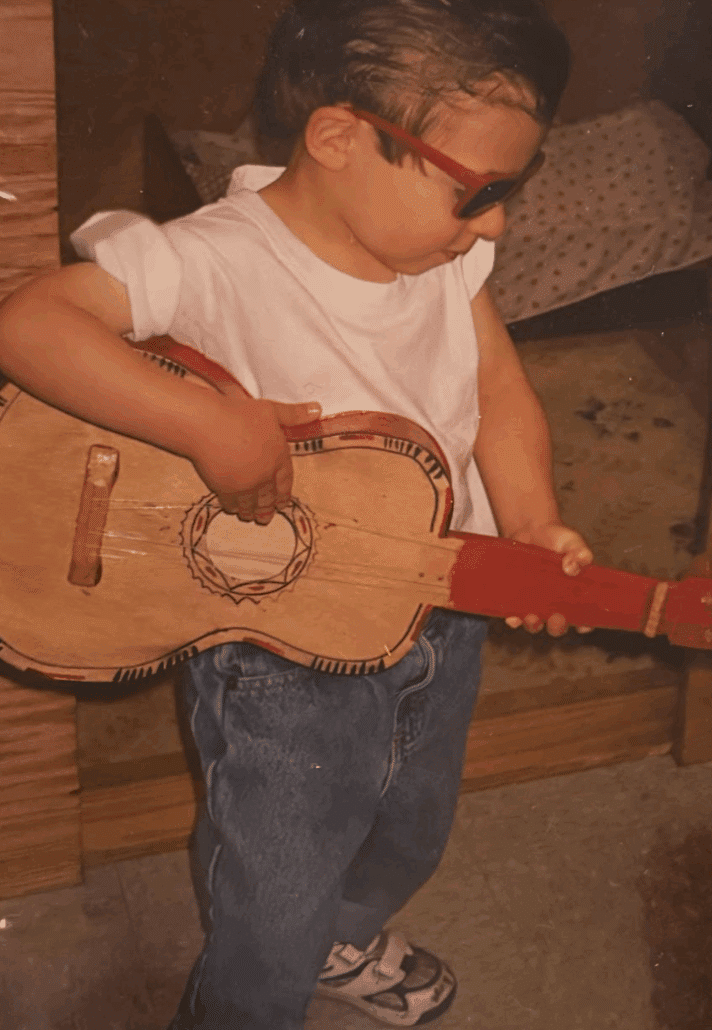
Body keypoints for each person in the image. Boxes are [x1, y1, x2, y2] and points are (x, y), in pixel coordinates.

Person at [0, 1, 593, 1026]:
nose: (494, 221)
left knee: (410, 818)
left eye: (510, 191)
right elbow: (29, 325)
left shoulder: (447, 259)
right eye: (478, 191)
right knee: (274, 882)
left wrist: (531, 522)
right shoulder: (210, 259)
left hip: (435, 603)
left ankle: (342, 932)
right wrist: (204, 425)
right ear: (337, 137)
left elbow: (495, 392)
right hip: (279, 658)